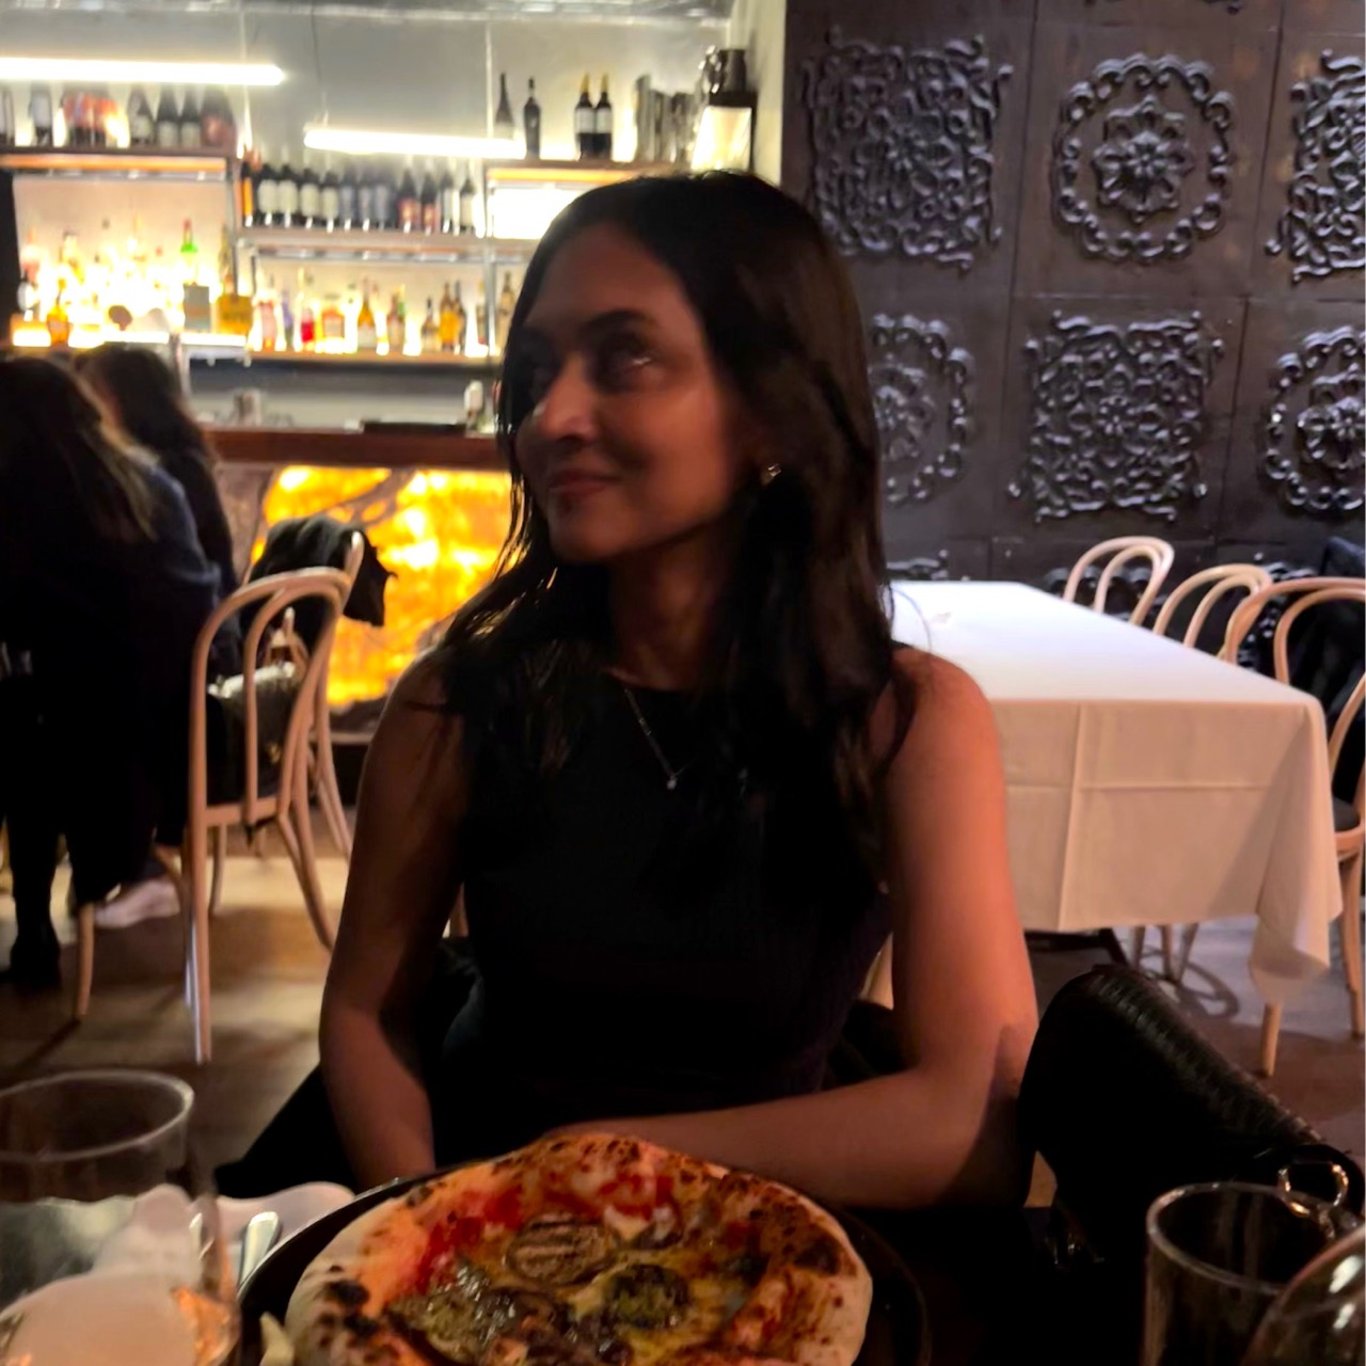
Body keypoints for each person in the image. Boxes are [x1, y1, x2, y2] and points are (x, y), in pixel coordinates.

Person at [282, 173, 1036, 1209]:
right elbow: (367, 1015)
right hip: (480, 1193)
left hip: (767, 1227)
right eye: (536, 370)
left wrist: (605, 1159)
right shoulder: (455, 708)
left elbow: (978, 1121)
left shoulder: (904, 724)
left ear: (772, 415)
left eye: (625, 357)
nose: (550, 417)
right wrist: (433, 1221)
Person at [0, 358, 218, 986]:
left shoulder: (32, 505)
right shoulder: (145, 483)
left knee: (20, 730)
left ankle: (35, 933)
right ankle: (35, 932)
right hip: (186, 715)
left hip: (112, 740)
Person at [76, 343, 239, 603]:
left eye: (93, 399)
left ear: (128, 402)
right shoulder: (184, 464)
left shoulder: (165, 474)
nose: (85, 417)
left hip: (198, 620)